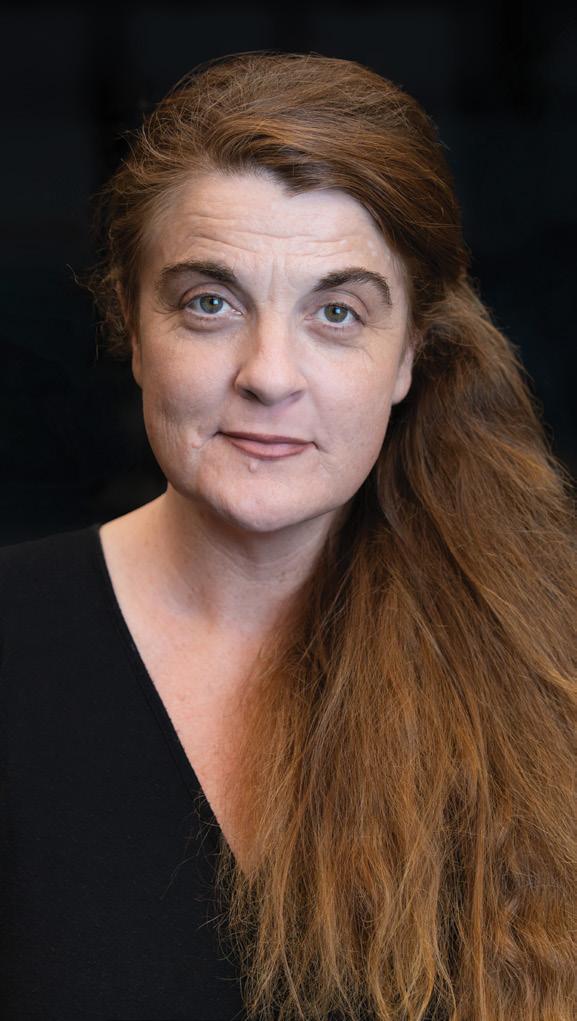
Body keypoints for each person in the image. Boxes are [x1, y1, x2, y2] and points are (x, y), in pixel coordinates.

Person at [1, 50, 575, 1021]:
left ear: (409, 354)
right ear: (133, 328)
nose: (269, 374)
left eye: (336, 312)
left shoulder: (547, 659)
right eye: (210, 302)